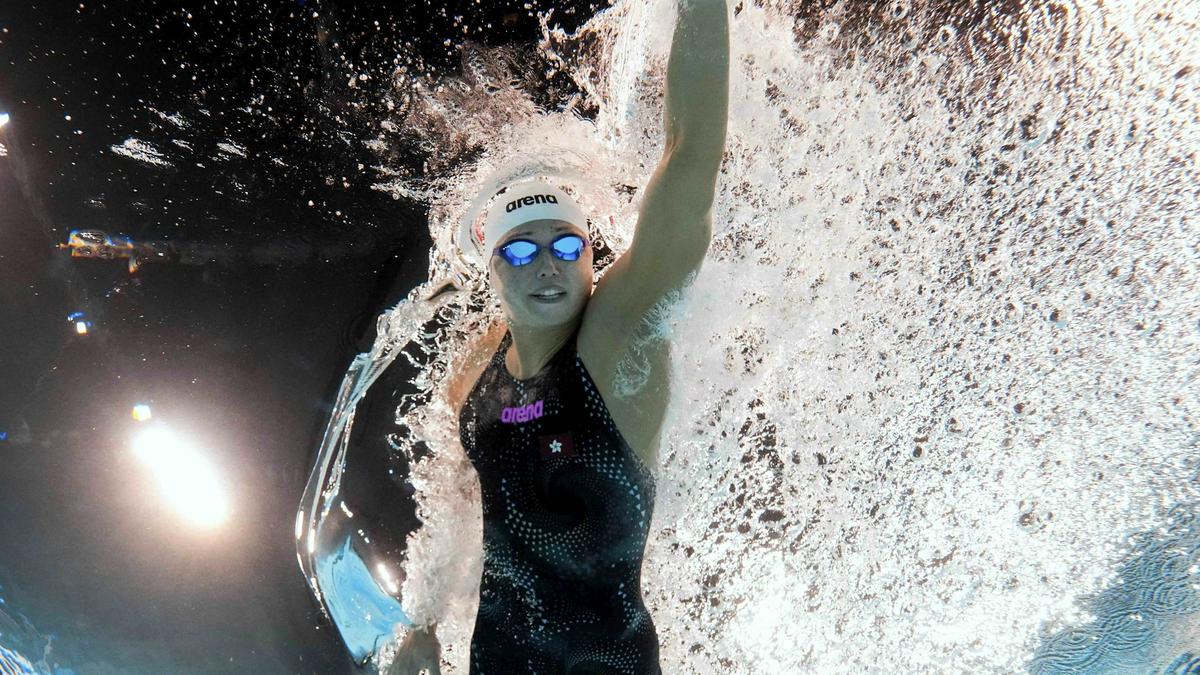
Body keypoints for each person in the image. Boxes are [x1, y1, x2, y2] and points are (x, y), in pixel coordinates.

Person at [391, 1, 728, 672]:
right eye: (520, 252)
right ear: (490, 270)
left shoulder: (615, 346)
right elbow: (455, 496)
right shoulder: (476, 370)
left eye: (566, 243)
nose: (546, 263)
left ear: (588, 256)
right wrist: (424, 624)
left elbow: (690, 159)